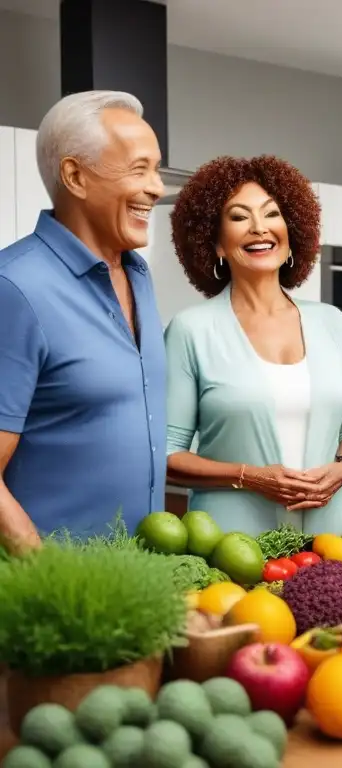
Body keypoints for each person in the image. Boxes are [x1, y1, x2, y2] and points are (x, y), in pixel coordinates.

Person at [163, 155, 342, 537]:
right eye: (239, 217)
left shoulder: (332, 322)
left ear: (292, 232)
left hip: (330, 541)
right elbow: (166, 456)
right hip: (232, 546)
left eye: (272, 214)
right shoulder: (190, 330)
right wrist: (250, 477)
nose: (260, 228)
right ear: (217, 243)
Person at [0, 91, 167, 550]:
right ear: (75, 175)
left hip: (139, 580)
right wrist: (47, 577)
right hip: (56, 595)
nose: (157, 187)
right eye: (140, 168)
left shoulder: (138, 274)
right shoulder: (14, 287)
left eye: (156, 168)